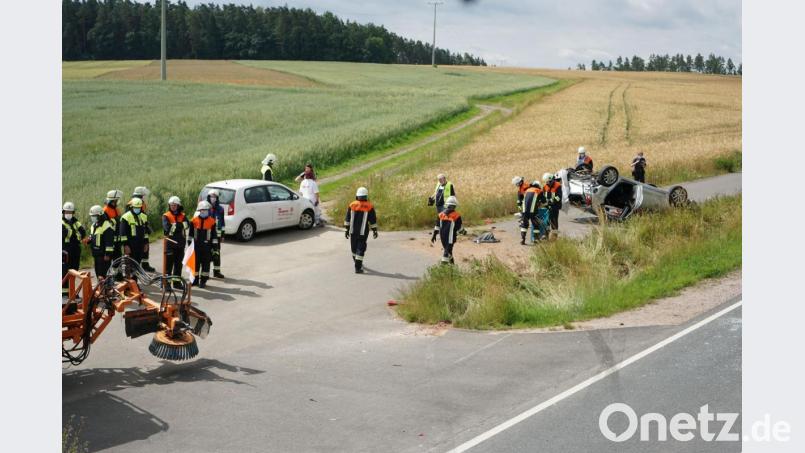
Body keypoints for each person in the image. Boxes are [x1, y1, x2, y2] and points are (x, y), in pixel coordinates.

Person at [344, 187, 378, 274]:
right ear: (366, 196)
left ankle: (357, 262)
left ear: (357, 196)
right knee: (361, 248)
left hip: (352, 231)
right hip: (363, 232)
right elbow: (373, 220)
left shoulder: (352, 205)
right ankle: (358, 267)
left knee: (354, 248)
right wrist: (375, 230)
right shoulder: (369, 206)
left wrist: (346, 230)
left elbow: (347, 218)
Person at [162, 196, 189, 286]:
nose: (173, 207)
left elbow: (187, 225)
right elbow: (167, 229)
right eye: (171, 205)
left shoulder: (183, 215)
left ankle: (177, 283)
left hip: (180, 245)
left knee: (178, 265)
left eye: (175, 205)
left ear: (178, 206)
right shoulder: (166, 216)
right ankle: (167, 284)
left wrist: (175, 225)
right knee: (168, 266)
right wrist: (180, 225)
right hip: (170, 244)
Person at [62, 202, 88, 295]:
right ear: (63, 212)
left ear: (73, 212)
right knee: (65, 271)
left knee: (75, 271)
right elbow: (64, 234)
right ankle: (64, 293)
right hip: (65, 250)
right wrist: (76, 234)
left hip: (76, 250)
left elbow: (83, 232)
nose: (68, 213)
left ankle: (72, 293)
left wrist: (72, 233)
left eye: (70, 212)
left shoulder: (76, 221)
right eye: (67, 212)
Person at [190, 201, 217, 288]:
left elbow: (214, 236)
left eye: (205, 210)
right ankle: (195, 280)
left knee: (206, 264)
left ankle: (203, 281)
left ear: (208, 211)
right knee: (195, 264)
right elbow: (190, 235)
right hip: (196, 246)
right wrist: (189, 245)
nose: (204, 211)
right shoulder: (194, 221)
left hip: (207, 246)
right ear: (199, 210)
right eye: (202, 210)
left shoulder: (212, 221)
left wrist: (215, 247)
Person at [431, 196, 464, 264]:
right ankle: (443, 267)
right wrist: (464, 232)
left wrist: (434, 235)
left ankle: (452, 265)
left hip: (442, 237)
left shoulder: (440, 215)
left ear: (447, 205)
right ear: (455, 206)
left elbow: (437, 226)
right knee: (447, 252)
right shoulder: (457, 216)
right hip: (451, 238)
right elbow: (459, 228)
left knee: (448, 251)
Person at [130, 186, 156, 271]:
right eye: (143, 195)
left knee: (145, 245)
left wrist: (146, 225)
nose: (144, 197)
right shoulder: (136, 202)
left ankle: (144, 264)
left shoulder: (138, 201)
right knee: (142, 246)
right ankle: (138, 267)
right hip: (138, 227)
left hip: (141, 225)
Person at [119, 197, 150, 268]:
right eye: (135, 207)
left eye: (139, 207)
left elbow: (145, 232)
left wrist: (146, 243)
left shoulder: (143, 216)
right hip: (130, 245)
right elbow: (122, 233)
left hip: (140, 244)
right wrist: (126, 245)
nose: (137, 209)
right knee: (129, 265)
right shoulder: (126, 217)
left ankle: (135, 275)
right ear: (131, 207)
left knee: (137, 264)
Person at [88, 205, 115, 282]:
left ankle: (107, 287)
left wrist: (107, 254)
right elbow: (93, 235)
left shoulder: (106, 226)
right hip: (96, 254)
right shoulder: (93, 225)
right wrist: (89, 239)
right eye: (92, 216)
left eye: (94, 216)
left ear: (100, 215)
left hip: (104, 255)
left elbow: (109, 241)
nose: (93, 217)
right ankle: (101, 287)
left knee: (104, 274)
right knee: (98, 273)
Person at [207, 189, 226, 278]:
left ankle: (217, 272)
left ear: (217, 198)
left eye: (214, 197)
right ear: (209, 197)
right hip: (207, 235)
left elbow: (222, 223)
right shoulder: (205, 207)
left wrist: (222, 235)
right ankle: (205, 273)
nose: (213, 198)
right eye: (211, 196)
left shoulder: (221, 209)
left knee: (216, 253)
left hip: (217, 236)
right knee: (206, 254)